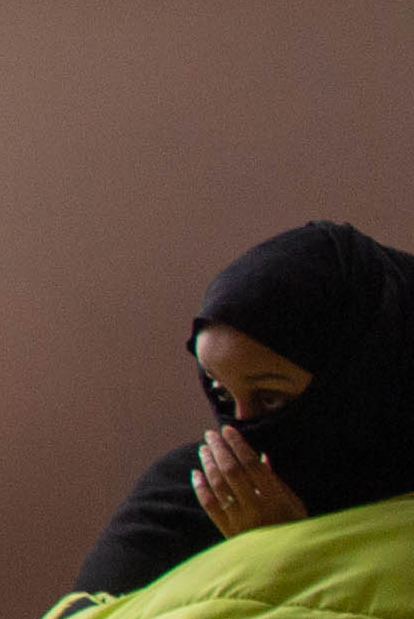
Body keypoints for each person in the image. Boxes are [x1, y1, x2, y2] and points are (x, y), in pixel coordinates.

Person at [73, 221, 414, 599]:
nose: (238, 430)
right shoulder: (186, 497)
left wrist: (289, 555)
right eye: (220, 394)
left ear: (362, 375)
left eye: (270, 399)